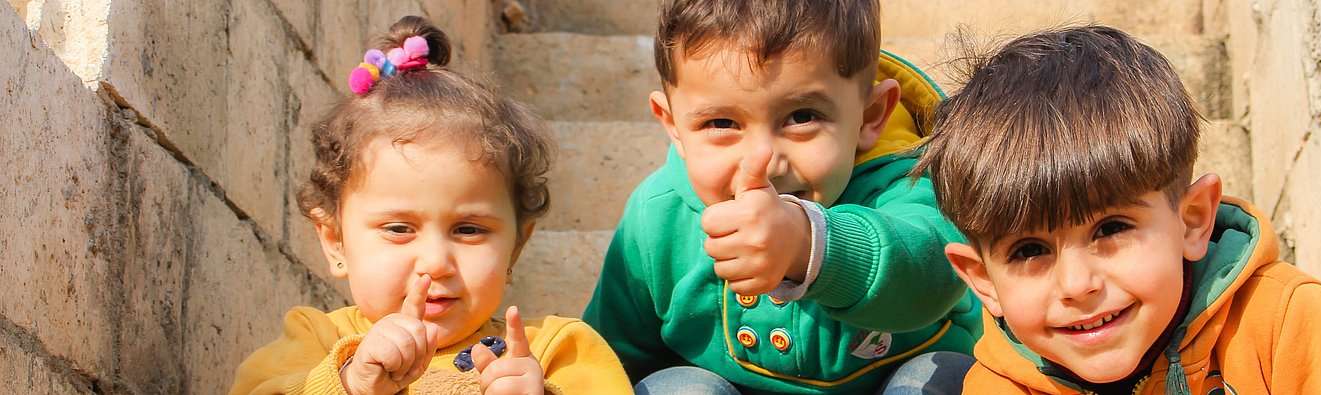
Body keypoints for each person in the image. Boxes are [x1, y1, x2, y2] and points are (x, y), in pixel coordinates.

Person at [915, 24, 1321, 394]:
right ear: (983, 282)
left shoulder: (1281, 322)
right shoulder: (1001, 385)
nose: (1077, 285)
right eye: (1028, 250)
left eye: (1111, 228)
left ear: (1192, 221)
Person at [582, 1, 982, 393]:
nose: (764, 162)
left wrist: (808, 244)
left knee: (942, 375)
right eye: (721, 123)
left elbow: (929, 278)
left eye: (802, 117)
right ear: (672, 126)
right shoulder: (657, 214)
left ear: (871, 115)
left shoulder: (913, 183)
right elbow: (616, 355)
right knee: (674, 386)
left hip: (894, 380)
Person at [229, 16, 629, 395]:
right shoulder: (315, 343)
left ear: (516, 245)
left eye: (469, 229)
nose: (436, 263)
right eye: (399, 228)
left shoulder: (558, 352)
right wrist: (351, 383)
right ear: (335, 242)